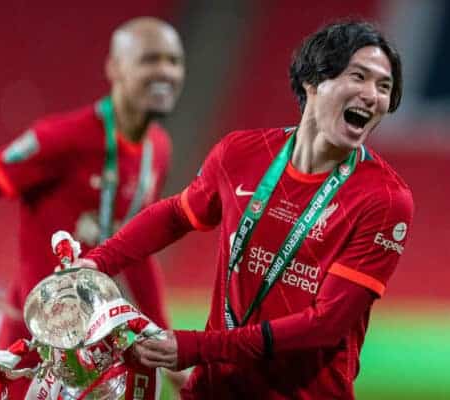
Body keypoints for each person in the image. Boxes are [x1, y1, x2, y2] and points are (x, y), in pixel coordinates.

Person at [78, 20, 413, 399]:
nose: (372, 95)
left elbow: (326, 324)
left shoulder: (383, 198)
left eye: (384, 87)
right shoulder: (241, 153)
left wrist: (195, 347)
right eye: (359, 77)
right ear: (314, 82)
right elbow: (176, 214)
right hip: (215, 390)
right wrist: (98, 261)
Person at [0, 17, 184, 370]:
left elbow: (137, 251)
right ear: (114, 67)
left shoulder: (157, 149)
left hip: (100, 351)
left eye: (174, 61)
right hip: (33, 350)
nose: (165, 71)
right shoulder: (64, 139)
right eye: (150, 59)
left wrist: (161, 335)